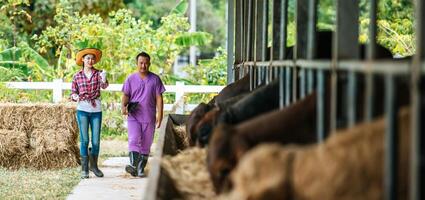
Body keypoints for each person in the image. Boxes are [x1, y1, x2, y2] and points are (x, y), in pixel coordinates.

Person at [121, 51, 165, 177]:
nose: (143, 66)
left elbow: (159, 98)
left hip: (149, 116)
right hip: (134, 115)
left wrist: (160, 116)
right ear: (137, 63)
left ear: (149, 64)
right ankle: (133, 166)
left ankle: (140, 168)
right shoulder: (130, 78)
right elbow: (126, 95)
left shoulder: (155, 79)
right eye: (141, 63)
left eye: (146, 63)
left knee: (146, 143)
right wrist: (123, 107)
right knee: (134, 139)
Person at [71, 47, 109, 179]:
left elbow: (104, 86)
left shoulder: (99, 73)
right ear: (82, 59)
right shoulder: (77, 76)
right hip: (82, 110)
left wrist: (104, 79)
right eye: (88, 58)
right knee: (84, 140)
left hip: (96, 110)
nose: (90, 60)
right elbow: (73, 92)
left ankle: (94, 166)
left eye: (93, 58)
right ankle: (84, 169)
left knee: (96, 141)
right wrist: (75, 96)